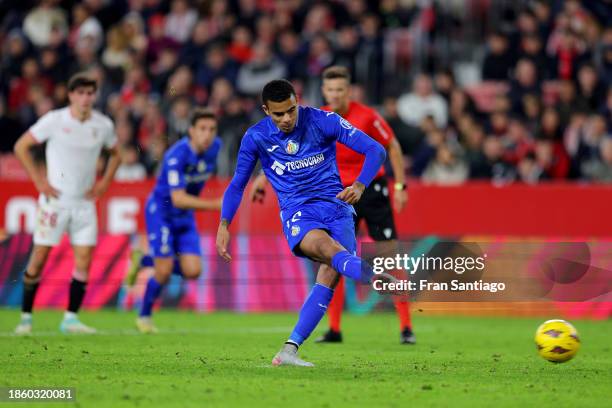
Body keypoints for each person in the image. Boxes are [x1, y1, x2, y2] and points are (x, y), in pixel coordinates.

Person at [216, 79, 398, 367]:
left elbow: (376, 150)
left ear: (297, 100)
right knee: (326, 248)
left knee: (330, 272)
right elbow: (237, 184)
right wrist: (224, 224)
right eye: (279, 114)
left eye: (291, 110)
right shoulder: (255, 137)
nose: (287, 118)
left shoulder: (323, 120)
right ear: (266, 111)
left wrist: (361, 185)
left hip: (338, 207)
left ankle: (290, 349)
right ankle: (372, 276)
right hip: (299, 212)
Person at [250, 66, 415, 344]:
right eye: (330, 89)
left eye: (340, 89)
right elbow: (289, 155)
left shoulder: (368, 116)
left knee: (388, 255)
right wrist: (262, 178)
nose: (335, 94)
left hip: (370, 190)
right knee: (332, 256)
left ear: (348, 91)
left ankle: (406, 327)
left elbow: (391, 147)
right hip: (336, 195)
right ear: (324, 91)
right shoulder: (310, 118)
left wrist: (400, 186)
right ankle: (334, 328)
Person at [13, 73, 120, 334]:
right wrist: (39, 181)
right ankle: (26, 318)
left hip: (84, 204)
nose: (85, 98)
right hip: (55, 202)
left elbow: (117, 153)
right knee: (39, 258)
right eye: (80, 93)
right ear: (71, 95)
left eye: (89, 93)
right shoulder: (55, 120)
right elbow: (21, 146)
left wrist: (105, 182)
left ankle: (70, 318)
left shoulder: (103, 125)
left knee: (84, 259)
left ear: (94, 96)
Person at [135, 108, 223, 333]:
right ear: (191, 131)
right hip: (162, 213)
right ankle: (144, 316)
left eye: (212, 129)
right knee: (163, 272)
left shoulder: (215, 147)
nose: (207, 134)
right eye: (202, 129)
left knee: (193, 271)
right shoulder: (176, 155)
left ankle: (145, 261)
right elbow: (179, 198)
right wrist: (215, 204)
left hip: (184, 216)